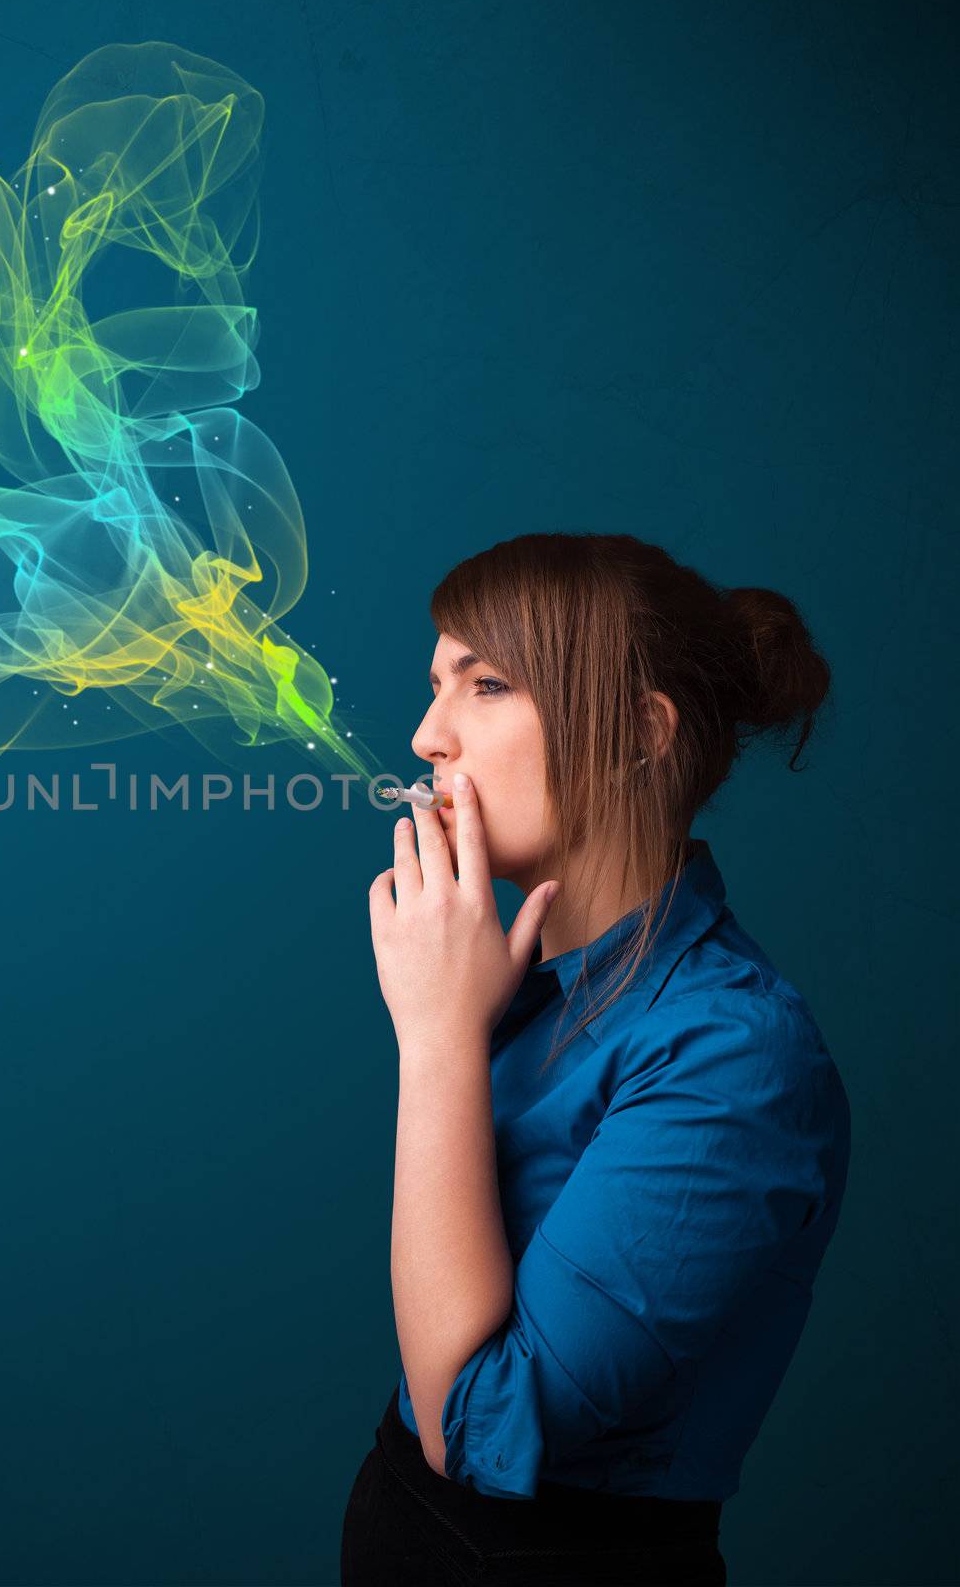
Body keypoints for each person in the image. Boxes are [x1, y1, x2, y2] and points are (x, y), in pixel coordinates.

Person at [341, 532, 851, 1586]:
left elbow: (478, 1430)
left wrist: (434, 1039)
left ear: (635, 732)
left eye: (483, 684)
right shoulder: (516, 986)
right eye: (434, 685)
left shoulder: (733, 1057)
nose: (427, 736)